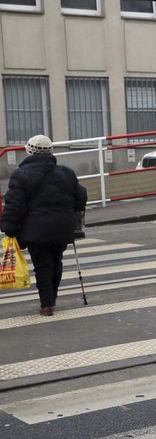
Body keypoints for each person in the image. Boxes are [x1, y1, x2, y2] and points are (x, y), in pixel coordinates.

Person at [0, 135, 88, 316]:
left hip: (35, 229)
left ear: (29, 150)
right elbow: (81, 196)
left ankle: (47, 303)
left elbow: (14, 203)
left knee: (42, 265)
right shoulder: (66, 173)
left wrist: (8, 225)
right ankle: (52, 297)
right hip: (62, 227)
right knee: (56, 261)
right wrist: (72, 212)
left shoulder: (21, 175)